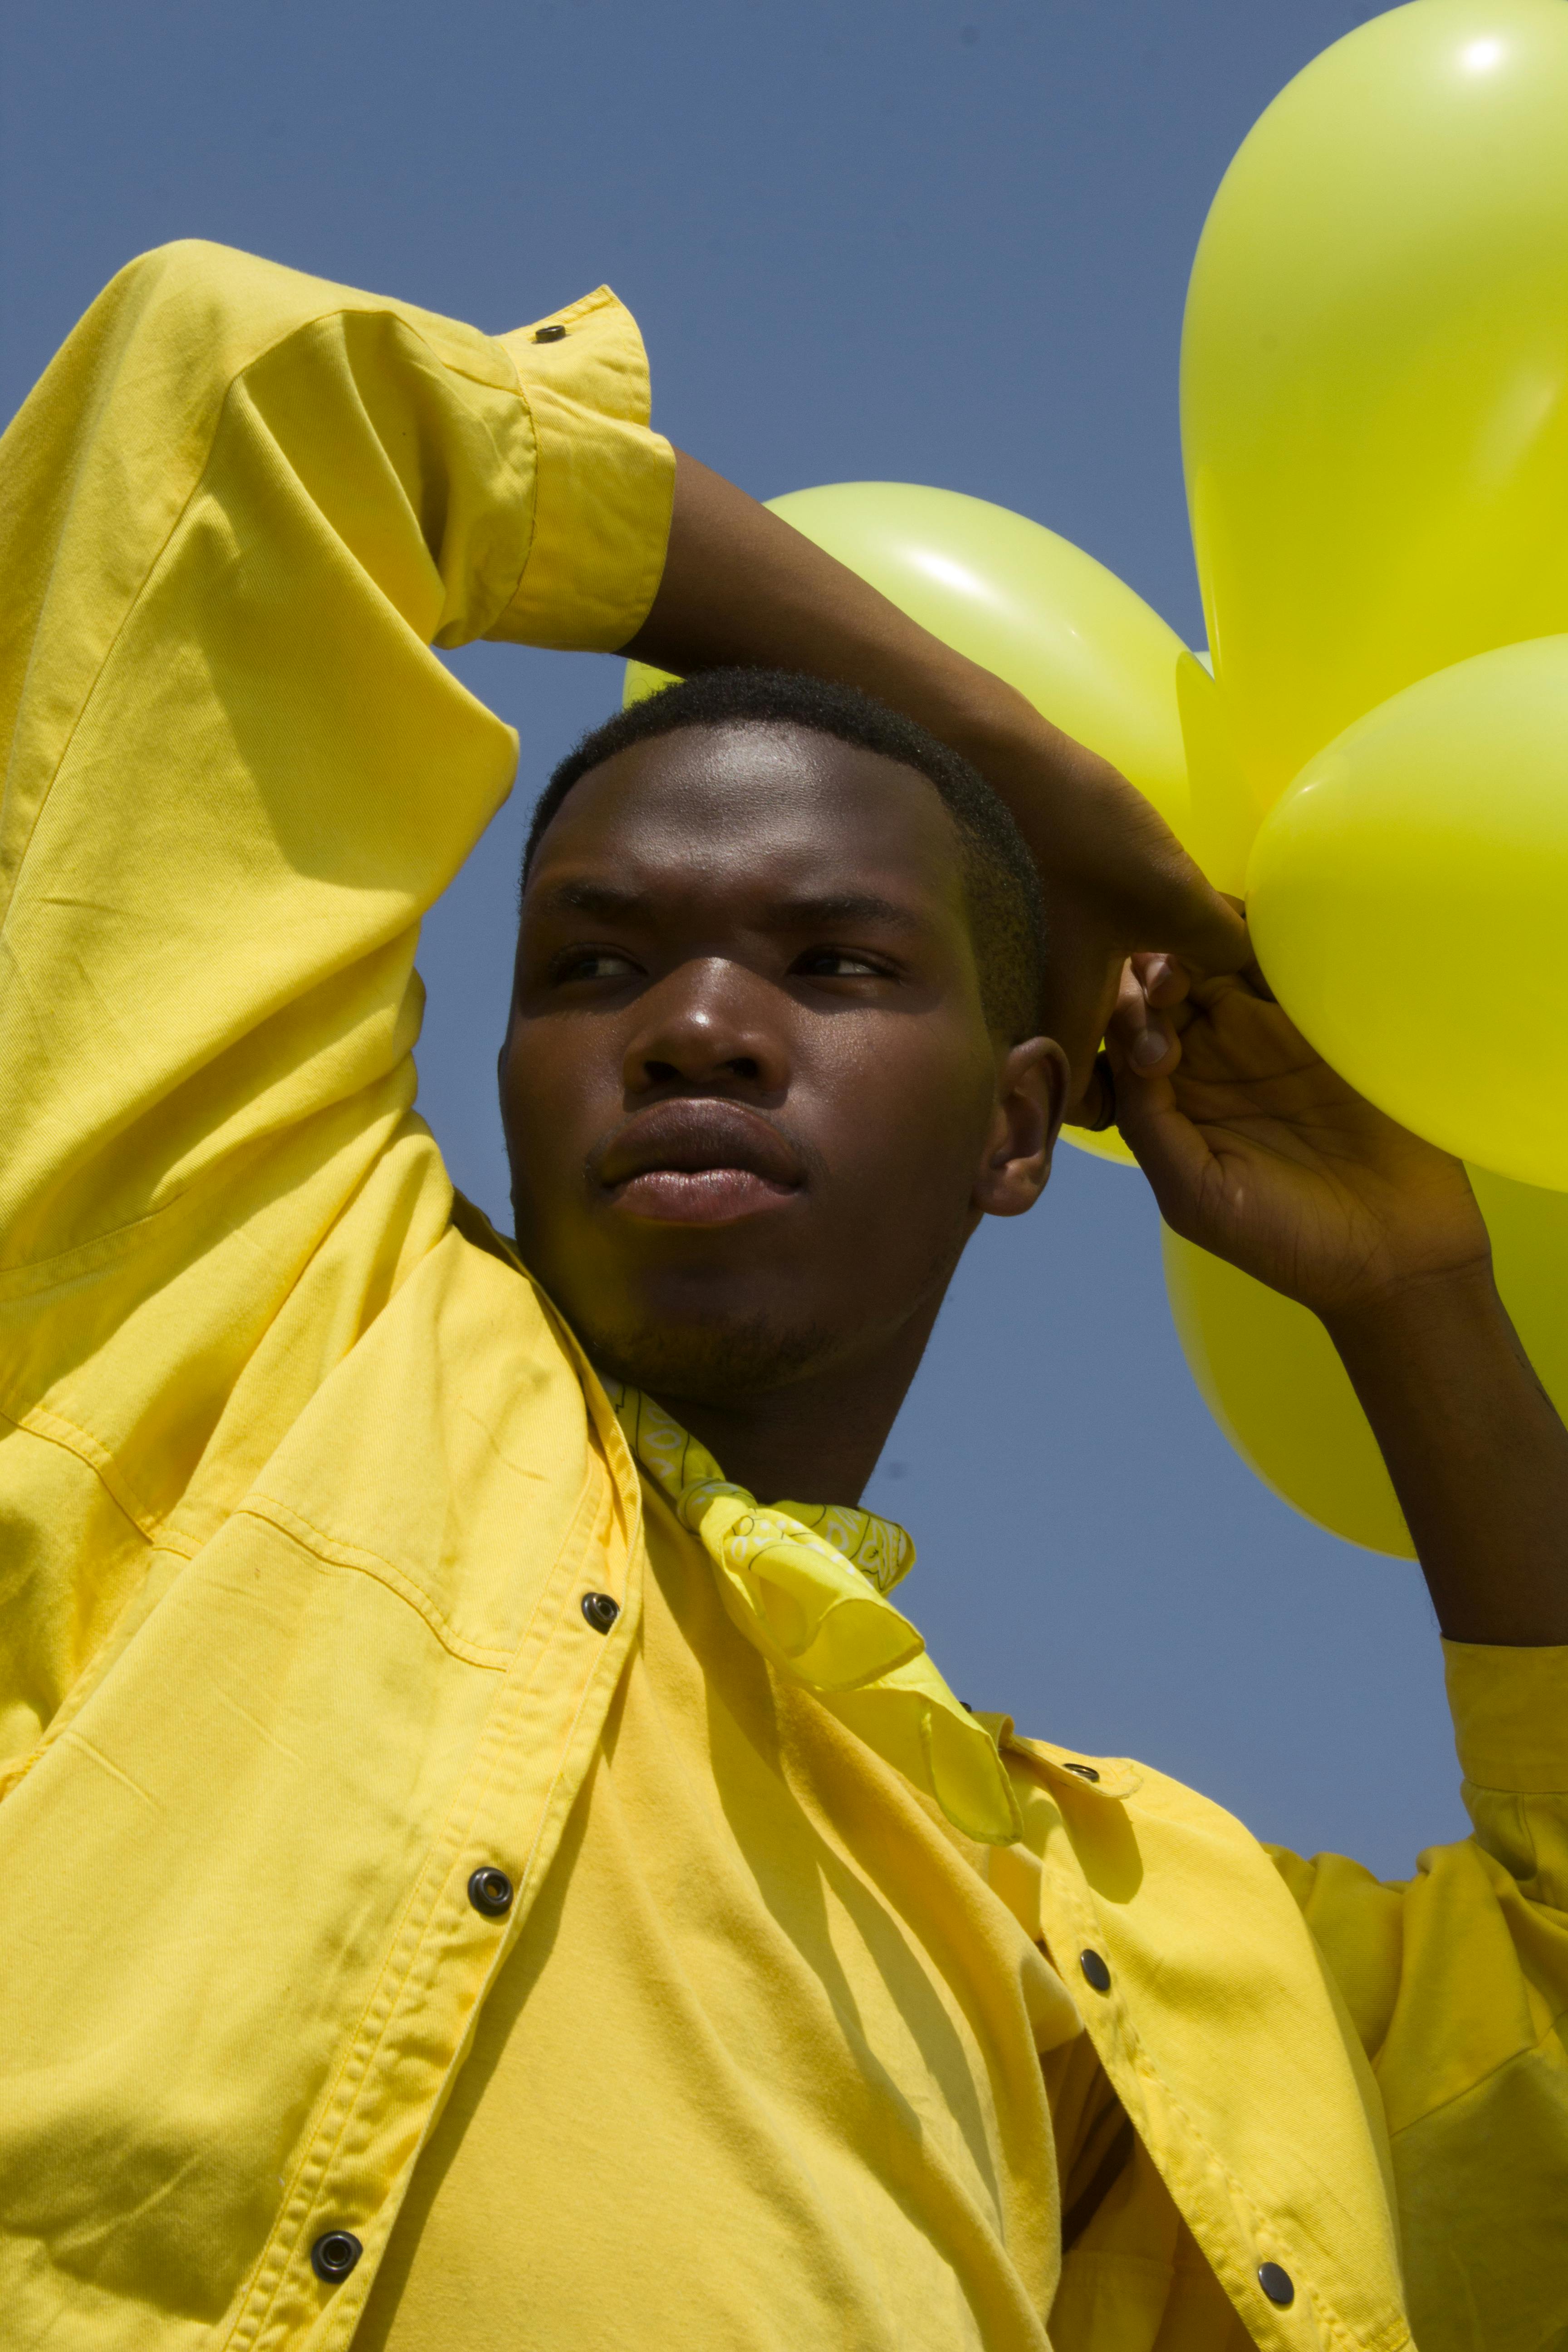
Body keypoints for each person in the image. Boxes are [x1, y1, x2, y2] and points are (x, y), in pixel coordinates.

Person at [0, 239, 1563, 2352]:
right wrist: (1020, 768)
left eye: (837, 963)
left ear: (1021, 1126)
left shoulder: (1119, 1911)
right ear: (502, 1067)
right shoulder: (257, 1322)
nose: (699, 1025)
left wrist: (1419, 1299)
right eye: (596, 963)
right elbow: (239, 388)